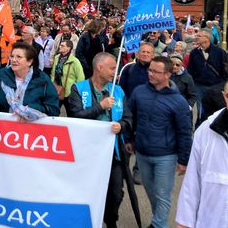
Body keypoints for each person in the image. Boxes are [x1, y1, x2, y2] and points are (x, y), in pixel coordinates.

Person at [66, 52, 131, 228]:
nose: (114, 73)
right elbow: (75, 116)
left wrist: (122, 125)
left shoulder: (118, 90)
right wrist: (100, 107)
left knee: (115, 193)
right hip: (86, 152)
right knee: (86, 189)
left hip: (113, 153)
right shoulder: (78, 89)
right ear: (99, 68)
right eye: (112, 68)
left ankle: (111, 221)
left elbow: (128, 118)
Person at [126, 56, 192, 228]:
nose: (151, 74)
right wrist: (129, 138)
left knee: (162, 194)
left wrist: (184, 160)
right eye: (150, 70)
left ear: (168, 74)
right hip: (142, 153)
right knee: (151, 191)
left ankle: (158, 225)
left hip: (166, 156)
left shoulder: (178, 101)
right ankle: (159, 221)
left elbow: (185, 132)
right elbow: (130, 116)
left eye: (156, 71)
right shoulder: (139, 92)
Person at [175, 81, 228, 228]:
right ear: (224, 97)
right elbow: (192, 180)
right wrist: (184, 222)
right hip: (210, 220)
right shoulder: (206, 131)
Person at [0, 42, 60, 120]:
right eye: (12, 56)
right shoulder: (2, 75)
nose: (13, 60)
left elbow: (53, 109)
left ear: (29, 61)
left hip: (31, 129)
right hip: (4, 128)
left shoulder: (42, 79)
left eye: (19, 57)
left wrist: (29, 111)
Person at [187, 29, 228, 120]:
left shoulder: (220, 52)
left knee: (215, 110)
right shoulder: (194, 53)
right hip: (199, 86)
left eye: (199, 36)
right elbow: (190, 69)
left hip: (216, 86)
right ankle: (200, 125)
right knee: (200, 109)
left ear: (207, 38)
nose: (196, 37)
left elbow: (225, 70)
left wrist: (221, 84)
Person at [50, 39, 84, 106]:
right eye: (60, 45)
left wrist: (76, 92)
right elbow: (53, 72)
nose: (60, 46)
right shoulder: (57, 58)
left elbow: (80, 77)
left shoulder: (74, 61)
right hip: (57, 88)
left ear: (68, 48)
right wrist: (52, 83)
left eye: (62, 46)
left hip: (69, 92)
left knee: (70, 112)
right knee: (54, 110)